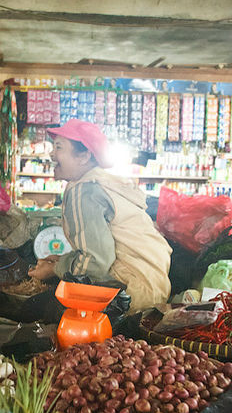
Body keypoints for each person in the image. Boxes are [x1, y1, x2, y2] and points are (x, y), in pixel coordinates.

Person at [27, 119, 172, 312]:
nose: (52, 154)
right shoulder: (101, 181)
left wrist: (55, 269)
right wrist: (62, 260)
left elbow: (94, 262)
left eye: (59, 147)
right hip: (152, 287)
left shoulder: (84, 190)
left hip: (127, 295)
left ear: (84, 156)